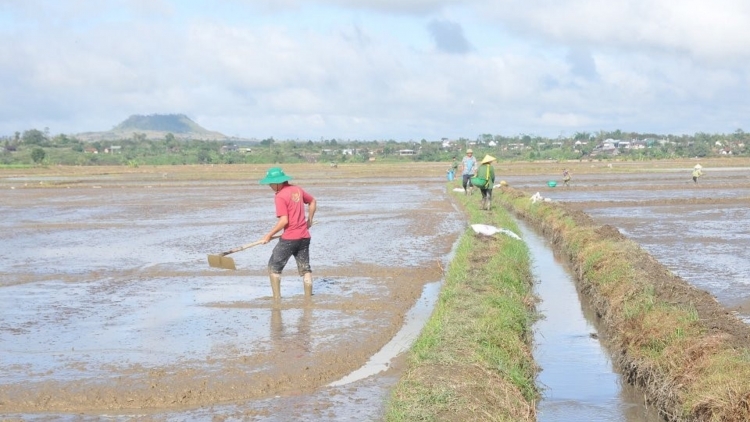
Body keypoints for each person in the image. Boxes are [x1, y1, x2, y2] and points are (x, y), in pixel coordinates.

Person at [259, 167, 317, 299]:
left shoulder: (280, 196)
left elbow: (284, 220)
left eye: (271, 183)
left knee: (273, 267)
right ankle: (308, 298)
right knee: (305, 268)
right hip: (304, 237)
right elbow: (313, 201)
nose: (270, 186)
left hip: (290, 238)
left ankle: (277, 299)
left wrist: (268, 235)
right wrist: (310, 220)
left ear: (279, 182)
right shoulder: (297, 189)